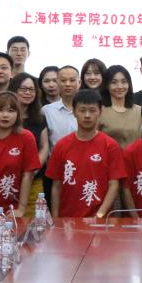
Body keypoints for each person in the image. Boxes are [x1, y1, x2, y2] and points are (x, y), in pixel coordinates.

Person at [46, 89, 126, 218]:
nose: (87, 115)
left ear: (100, 111)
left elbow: (114, 185)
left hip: (100, 220)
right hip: (67, 220)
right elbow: (56, 186)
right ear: (74, 112)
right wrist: (55, 218)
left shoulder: (110, 146)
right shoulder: (61, 146)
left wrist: (100, 215)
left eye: (92, 110)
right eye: (82, 110)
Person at [11, 71, 49, 220]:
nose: (28, 93)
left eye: (31, 89)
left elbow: (44, 146)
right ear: (14, 90)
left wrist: (33, 169)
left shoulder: (39, 118)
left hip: (35, 179)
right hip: (9, 178)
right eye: (23, 89)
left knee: (33, 222)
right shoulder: (6, 117)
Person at [99, 65, 142, 150]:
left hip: (134, 157)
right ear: (107, 85)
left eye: (124, 82)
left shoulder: (140, 111)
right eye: (114, 82)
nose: (119, 86)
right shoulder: (99, 111)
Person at [42, 65, 80, 147]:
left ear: (79, 83)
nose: (67, 84)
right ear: (58, 83)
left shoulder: (88, 110)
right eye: (63, 80)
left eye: (72, 80)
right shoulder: (47, 111)